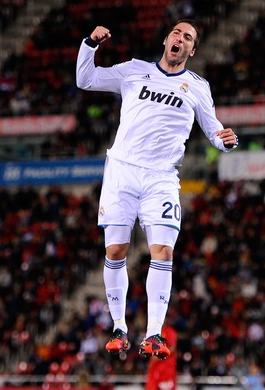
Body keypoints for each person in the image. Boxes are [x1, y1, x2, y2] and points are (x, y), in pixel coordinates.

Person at [76, 19, 238, 360]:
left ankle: (153, 334)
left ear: (191, 50)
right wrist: (90, 44)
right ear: (166, 40)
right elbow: (86, 79)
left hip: (162, 178)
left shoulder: (197, 87)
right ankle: (119, 327)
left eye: (188, 37)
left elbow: (214, 132)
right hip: (122, 171)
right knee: (117, 249)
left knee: (163, 251)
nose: (180, 38)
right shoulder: (133, 71)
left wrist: (225, 142)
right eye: (177, 33)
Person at [145, 324, 178, 389]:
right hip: (154, 370)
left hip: (166, 370)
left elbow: (172, 348)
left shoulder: (168, 331)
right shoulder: (152, 332)